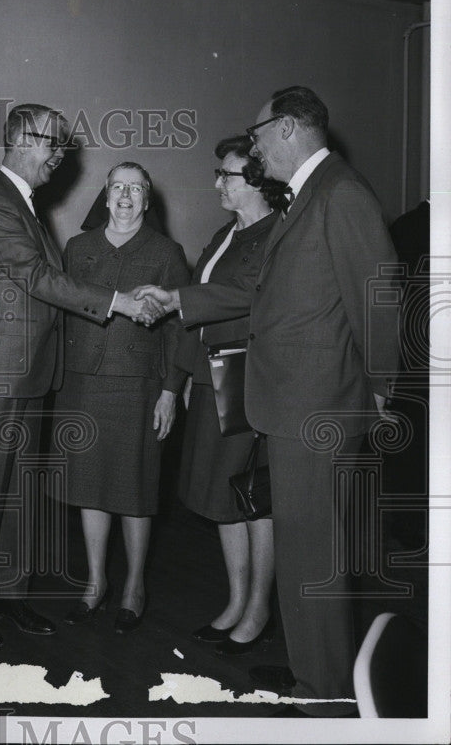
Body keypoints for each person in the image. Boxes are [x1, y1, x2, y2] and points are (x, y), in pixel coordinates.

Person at [137, 86, 400, 710]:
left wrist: (388, 389)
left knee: (316, 554)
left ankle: (327, 689)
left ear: (287, 128)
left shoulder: (340, 193)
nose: (254, 149)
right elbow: (268, 293)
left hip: (319, 409)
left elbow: (378, 296)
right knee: (309, 552)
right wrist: (183, 301)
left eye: (256, 136)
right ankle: (319, 676)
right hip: (294, 403)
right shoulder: (312, 193)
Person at [0, 103, 160, 648]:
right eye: (52, 145)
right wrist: (119, 302)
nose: (59, 157)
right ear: (20, 139)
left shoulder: (24, 203)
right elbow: (36, 276)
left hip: (26, 373)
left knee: (19, 491)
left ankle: (10, 594)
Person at [50, 162, 189, 632]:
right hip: (83, 384)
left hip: (139, 385)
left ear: (147, 201)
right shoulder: (77, 247)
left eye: (135, 189)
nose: (125, 196)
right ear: (105, 197)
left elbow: (179, 333)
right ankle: (94, 581)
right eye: (117, 188)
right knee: (89, 485)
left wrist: (171, 392)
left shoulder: (167, 252)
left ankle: (134, 585)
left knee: (135, 487)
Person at [175, 136, 284, 655]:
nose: (218, 182)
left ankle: (259, 608)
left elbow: (245, 295)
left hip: (244, 376)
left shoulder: (275, 234)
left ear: (257, 181)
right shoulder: (227, 232)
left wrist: (176, 298)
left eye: (228, 175)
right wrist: (174, 384)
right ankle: (236, 601)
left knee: (252, 496)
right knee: (222, 494)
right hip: (210, 375)